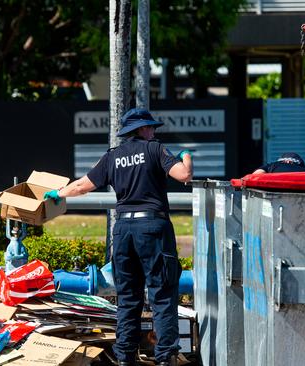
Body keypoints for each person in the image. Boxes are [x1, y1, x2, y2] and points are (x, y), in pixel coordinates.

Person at [43, 108, 193, 366]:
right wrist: (185, 156)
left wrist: (59, 193)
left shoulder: (113, 156)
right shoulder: (155, 149)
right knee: (162, 294)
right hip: (152, 228)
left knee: (127, 298)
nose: (153, 131)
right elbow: (184, 175)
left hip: (123, 232)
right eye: (151, 127)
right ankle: (165, 357)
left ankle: (124, 359)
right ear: (143, 129)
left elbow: (81, 186)